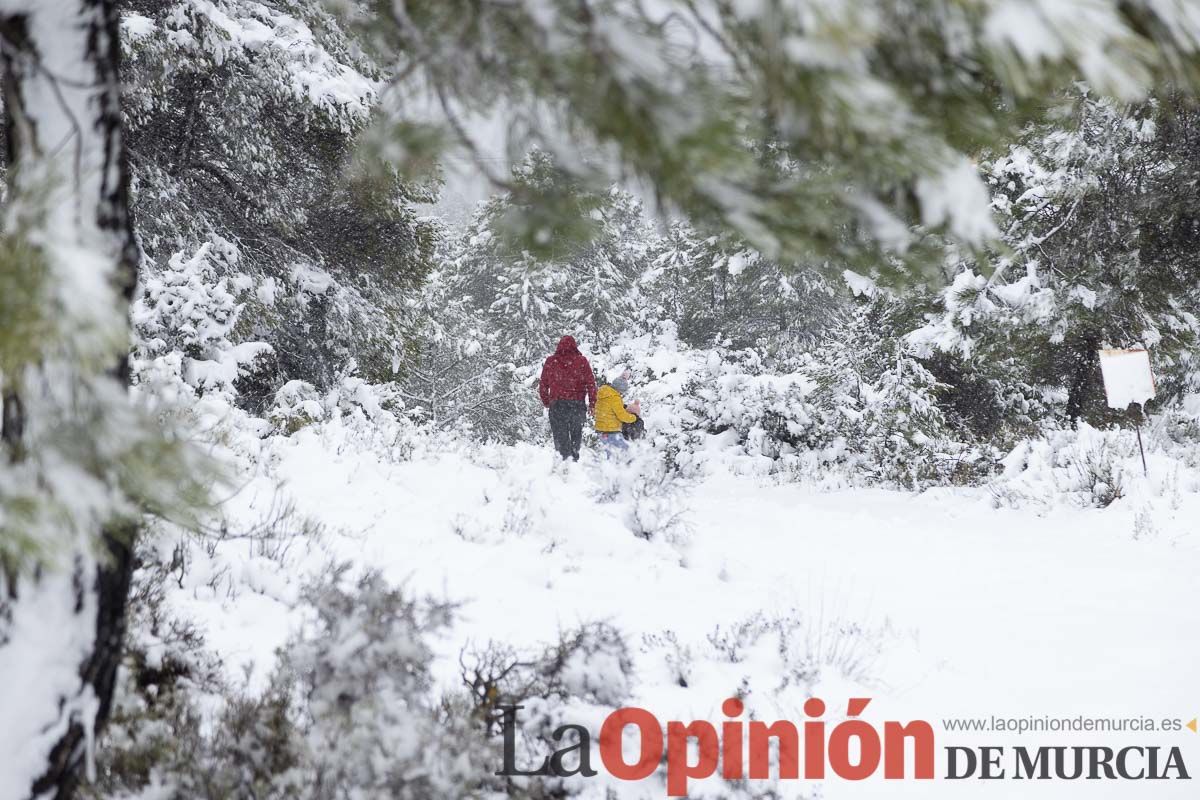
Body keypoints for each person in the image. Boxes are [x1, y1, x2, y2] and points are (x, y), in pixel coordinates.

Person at [538, 335, 597, 461]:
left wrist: (547, 402)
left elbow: (543, 384)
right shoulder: (582, 361)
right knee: (576, 434)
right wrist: (592, 404)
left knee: (560, 437)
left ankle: (564, 463)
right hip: (577, 404)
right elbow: (591, 383)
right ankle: (574, 459)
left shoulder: (551, 361)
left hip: (558, 405)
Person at [594, 374, 640, 455]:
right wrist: (634, 417)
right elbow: (622, 416)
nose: (621, 394)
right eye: (622, 392)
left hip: (601, 431)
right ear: (619, 389)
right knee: (626, 451)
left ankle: (611, 467)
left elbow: (608, 408)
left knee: (611, 454)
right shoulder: (615, 398)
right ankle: (629, 467)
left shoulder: (603, 394)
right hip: (611, 431)